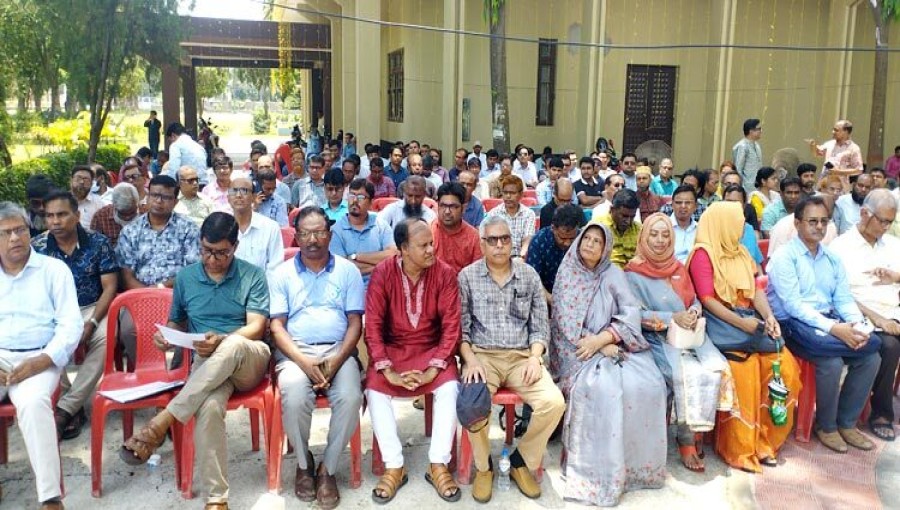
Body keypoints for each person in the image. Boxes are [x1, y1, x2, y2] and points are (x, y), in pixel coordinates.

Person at [120, 213, 271, 509]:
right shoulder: (187, 277)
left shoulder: (252, 274)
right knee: (209, 407)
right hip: (207, 361)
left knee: (235, 343)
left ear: (235, 247)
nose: (212, 260)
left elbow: (256, 327)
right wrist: (166, 336)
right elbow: (176, 321)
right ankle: (217, 499)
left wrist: (223, 340)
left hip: (248, 357)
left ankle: (160, 423)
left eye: (221, 253)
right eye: (206, 251)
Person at [550, 222, 667, 506]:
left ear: (605, 249)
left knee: (648, 385)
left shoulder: (613, 274)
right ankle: (593, 473)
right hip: (577, 353)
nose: (590, 244)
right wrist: (595, 345)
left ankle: (634, 470)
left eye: (596, 241)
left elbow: (629, 311)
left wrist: (606, 338)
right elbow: (564, 325)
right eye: (586, 239)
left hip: (616, 343)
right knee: (601, 390)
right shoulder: (568, 273)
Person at [687, 202, 801, 473]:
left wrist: (769, 317)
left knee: (783, 366)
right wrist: (742, 323)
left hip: (750, 325)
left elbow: (755, 291)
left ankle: (765, 441)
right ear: (722, 223)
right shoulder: (704, 254)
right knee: (744, 372)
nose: (742, 227)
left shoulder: (740, 252)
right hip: (725, 328)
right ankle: (740, 448)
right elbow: (707, 300)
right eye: (737, 221)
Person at [458, 216, 565, 503]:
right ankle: (483, 468)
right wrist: (469, 360)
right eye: (492, 240)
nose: (499, 245)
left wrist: (535, 357)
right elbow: (462, 329)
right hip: (483, 357)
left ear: (512, 241)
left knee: (554, 403)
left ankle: (521, 461)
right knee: (472, 406)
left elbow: (540, 325)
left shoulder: (528, 274)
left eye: (504, 239)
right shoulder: (467, 277)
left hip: (522, 357)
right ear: (482, 244)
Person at [768, 195, 880, 453]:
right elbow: (794, 305)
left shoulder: (832, 258)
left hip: (828, 322)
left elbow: (842, 299)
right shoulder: (786, 257)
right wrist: (835, 330)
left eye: (824, 221)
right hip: (792, 325)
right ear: (797, 224)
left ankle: (847, 423)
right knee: (831, 362)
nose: (819, 227)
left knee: (871, 356)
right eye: (812, 221)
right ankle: (826, 426)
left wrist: (855, 325)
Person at [270, 206, 365, 508]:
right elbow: (276, 326)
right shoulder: (281, 273)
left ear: (330, 234)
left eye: (319, 232)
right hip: (296, 352)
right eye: (306, 233)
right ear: (296, 236)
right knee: (295, 395)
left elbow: (355, 324)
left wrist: (336, 361)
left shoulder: (347, 271)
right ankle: (302, 463)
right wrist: (302, 361)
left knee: (351, 397)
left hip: (338, 350)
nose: (313, 239)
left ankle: (329, 469)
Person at [625, 213, 734, 473]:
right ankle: (685, 441)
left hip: (690, 335)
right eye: (654, 234)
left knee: (714, 369)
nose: (660, 240)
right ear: (644, 236)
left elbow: (693, 300)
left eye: (665, 235)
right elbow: (633, 316)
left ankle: (695, 433)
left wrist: (694, 312)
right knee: (684, 375)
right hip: (656, 338)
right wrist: (671, 317)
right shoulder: (633, 273)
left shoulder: (677, 267)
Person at [364, 218, 461, 504]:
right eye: (424, 245)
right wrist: (387, 368)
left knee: (449, 387)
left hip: (433, 351)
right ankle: (394, 465)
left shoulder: (444, 274)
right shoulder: (383, 273)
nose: (432, 249)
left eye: (432, 243)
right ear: (403, 249)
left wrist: (434, 368)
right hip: (393, 351)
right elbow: (373, 325)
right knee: (375, 389)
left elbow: (451, 327)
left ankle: (438, 463)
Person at [0, 201, 81, 510]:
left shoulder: (53, 270)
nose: (15, 239)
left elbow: (70, 326)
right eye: (5, 233)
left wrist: (42, 361)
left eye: (20, 230)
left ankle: (50, 498)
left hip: (40, 358)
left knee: (33, 404)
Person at [32, 191, 119, 440]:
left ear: (77, 215)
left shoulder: (97, 242)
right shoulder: (37, 248)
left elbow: (110, 287)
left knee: (106, 336)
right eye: (50, 216)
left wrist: (91, 322)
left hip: (92, 306)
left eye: (62, 214)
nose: (55, 221)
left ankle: (64, 410)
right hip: (53, 312)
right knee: (42, 339)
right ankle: (72, 406)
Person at [829, 189, 900, 442]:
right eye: (881, 220)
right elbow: (840, 295)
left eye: (890, 222)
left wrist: (895, 277)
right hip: (862, 315)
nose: (885, 227)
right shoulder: (841, 247)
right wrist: (879, 319)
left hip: (893, 311)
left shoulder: (893, 245)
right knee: (889, 346)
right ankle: (881, 414)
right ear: (864, 214)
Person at [329, 179, 397, 288]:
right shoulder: (337, 230)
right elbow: (342, 269)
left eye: (361, 197)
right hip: (351, 288)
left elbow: (394, 255)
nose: (354, 201)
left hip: (382, 286)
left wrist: (356, 256)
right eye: (351, 195)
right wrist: (381, 266)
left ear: (370, 203)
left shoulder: (380, 224)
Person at [228, 177, 284, 275]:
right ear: (228, 198)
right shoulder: (221, 227)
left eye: (244, 191)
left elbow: (275, 269)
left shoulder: (270, 227)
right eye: (234, 191)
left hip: (261, 287)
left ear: (254, 197)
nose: (238, 195)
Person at [526, 204, 582, 301]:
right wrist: (552, 301)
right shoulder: (539, 241)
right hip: (544, 296)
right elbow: (533, 279)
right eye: (563, 238)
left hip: (576, 296)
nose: (567, 243)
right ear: (553, 228)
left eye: (571, 238)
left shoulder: (582, 240)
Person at [431, 182, 481, 273]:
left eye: (453, 207)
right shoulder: (428, 231)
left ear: (464, 208)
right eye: (443, 206)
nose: (447, 211)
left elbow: (476, 272)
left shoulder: (473, 237)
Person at [484, 175, 536, 258]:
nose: (508, 196)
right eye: (505, 192)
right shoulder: (493, 214)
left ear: (521, 194)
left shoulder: (529, 214)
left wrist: (522, 257)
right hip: (498, 257)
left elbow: (527, 240)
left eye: (512, 193)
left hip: (520, 258)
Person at [590, 189, 641, 267]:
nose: (628, 221)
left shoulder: (639, 229)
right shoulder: (597, 227)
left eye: (632, 217)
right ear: (612, 209)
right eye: (624, 216)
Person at [721, 185, 766, 268]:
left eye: (736, 202)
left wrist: (761, 278)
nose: (731, 206)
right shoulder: (715, 229)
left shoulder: (748, 229)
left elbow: (756, 262)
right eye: (728, 202)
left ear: (744, 205)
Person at [91, 183, 140, 248]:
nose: (127, 217)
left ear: (137, 204)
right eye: (122, 214)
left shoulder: (147, 215)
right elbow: (95, 246)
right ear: (114, 205)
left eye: (132, 213)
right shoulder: (100, 217)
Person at [733, 118, 763, 195]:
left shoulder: (756, 145)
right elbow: (738, 169)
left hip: (757, 186)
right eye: (759, 129)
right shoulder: (742, 146)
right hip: (746, 187)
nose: (761, 131)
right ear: (751, 131)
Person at [670, 185, 699, 263]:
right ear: (672, 204)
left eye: (688, 203)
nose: (683, 206)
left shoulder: (701, 230)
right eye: (678, 203)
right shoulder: (663, 228)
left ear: (696, 206)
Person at [70, 165, 104, 230]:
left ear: (91, 183)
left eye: (86, 179)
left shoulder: (98, 203)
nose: (82, 182)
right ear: (71, 180)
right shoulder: (62, 200)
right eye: (78, 178)